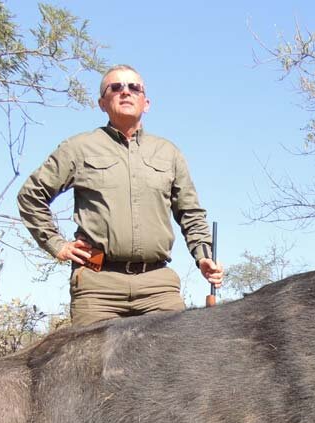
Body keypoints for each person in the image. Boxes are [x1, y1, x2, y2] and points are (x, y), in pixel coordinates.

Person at [18, 64, 223, 325]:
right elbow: (30, 196)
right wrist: (56, 244)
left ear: (146, 102)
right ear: (102, 103)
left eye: (133, 87)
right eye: (115, 88)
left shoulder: (168, 152)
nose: (125, 92)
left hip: (157, 285)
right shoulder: (78, 148)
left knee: (178, 361)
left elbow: (190, 213)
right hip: (97, 281)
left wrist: (204, 257)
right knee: (90, 365)